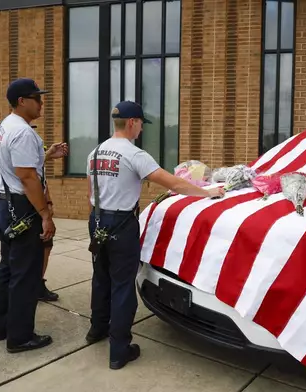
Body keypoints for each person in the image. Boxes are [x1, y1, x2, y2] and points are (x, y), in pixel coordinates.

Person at [85, 101, 225, 370]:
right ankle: (119, 351)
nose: (141, 130)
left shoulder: (95, 152)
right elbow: (173, 183)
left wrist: (95, 223)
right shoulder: (134, 155)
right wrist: (208, 192)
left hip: (98, 220)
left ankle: (97, 329)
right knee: (122, 285)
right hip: (121, 224)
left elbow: (89, 192)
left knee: (101, 277)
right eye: (140, 124)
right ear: (132, 123)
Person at [0, 78, 56, 353]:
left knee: (6, 268)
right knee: (25, 274)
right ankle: (20, 336)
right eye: (36, 98)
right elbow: (27, 177)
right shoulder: (24, 132)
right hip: (22, 206)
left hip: (4, 204)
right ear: (21, 102)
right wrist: (45, 214)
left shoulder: (3, 127)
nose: (41, 102)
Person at [0, 142, 68, 302]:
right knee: (15, 259)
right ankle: (16, 298)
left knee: (45, 246)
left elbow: (39, 180)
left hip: (35, 208)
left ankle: (36, 285)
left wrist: (47, 203)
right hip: (18, 210)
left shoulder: (32, 150)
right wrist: (19, 195)